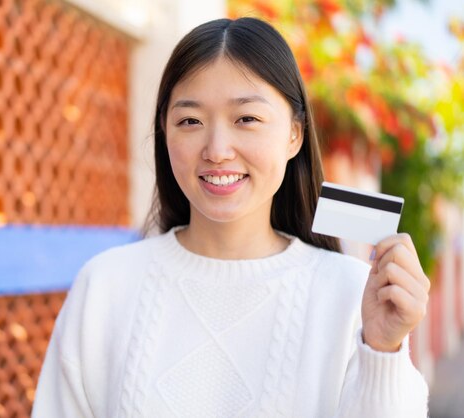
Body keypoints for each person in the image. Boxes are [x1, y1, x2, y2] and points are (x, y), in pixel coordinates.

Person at [32, 17, 430, 417]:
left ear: (295, 134)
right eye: (190, 121)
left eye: (246, 119)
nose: (217, 149)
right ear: (164, 132)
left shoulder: (351, 293)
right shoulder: (105, 286)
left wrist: (383, 350)